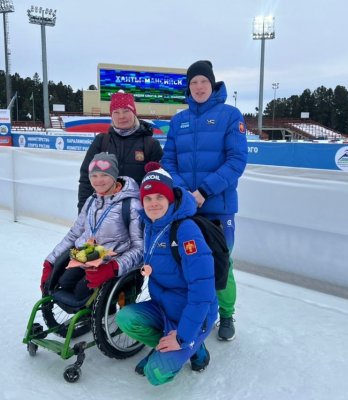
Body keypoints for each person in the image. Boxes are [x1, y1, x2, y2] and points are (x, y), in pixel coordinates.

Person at [161, 60, 248, 341]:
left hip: (217, 209)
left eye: (203, 82)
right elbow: (168, 161)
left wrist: (203, 192)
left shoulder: (231, 116)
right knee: (188, 263)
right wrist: (185, 192)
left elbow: (237, 160)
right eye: (193, 82)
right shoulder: (178, 120)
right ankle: (195, 314)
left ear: (213, 84)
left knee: (222, 263)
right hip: (185, 208)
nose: (199, 87)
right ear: (188, 87)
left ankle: (226, 314)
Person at [115, 163, 217, 386]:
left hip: (193, 314)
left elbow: (203, 290)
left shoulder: (185, 230)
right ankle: (165, 345)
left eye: (159, 197)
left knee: (156, 374)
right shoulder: (150, 224)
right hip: (165, 307)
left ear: (170, 198)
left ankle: (193, 346)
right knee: (126, 318)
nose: (153, 204)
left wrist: (182, 337)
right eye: (148, 198)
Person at [40, 152, 143, 298]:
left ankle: (108, 314)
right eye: (93, 176)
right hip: (87, 257)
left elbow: (140, 247)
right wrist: (50, 261)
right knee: (62, 283)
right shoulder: (91, 201)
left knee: (81, 293)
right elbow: (74, 234)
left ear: (114, 177)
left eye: (104, 175)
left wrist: (114, 267)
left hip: (111, 263)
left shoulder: (131, 205)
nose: (98, 180)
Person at [77, 91, 163, 213]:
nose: (121, 116)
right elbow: (86, 178)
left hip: (137, 214)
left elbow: (159, 183)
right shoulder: (102, 141)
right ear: (111, 116)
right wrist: (83, 211)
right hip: (103, 213)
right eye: (116, 112)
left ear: (134, 113)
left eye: (126, 111)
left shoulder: (150, 144)